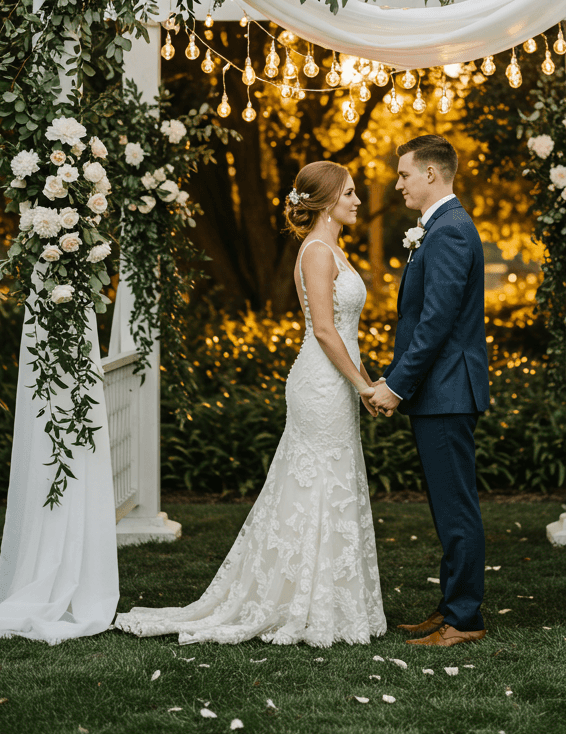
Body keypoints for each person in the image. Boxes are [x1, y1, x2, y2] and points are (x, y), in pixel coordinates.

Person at [114, 161, 386, 647]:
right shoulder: (318, 252)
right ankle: (296, 601)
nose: (357, 200)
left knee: (333, 481)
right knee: (315, 482)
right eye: (349, 192)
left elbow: (348, 335)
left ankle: (324, 599)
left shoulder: (334, 250)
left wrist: (365, 383)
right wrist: (361, 387)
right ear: (325, 201)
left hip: (337, 382)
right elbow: (323, 330)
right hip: (319, 384)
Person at [368, 135, 490, 648]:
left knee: (456, 507)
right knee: (448, 507)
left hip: (446, 391)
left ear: (432, 175)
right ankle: (450, 609)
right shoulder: (440, 227)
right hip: (441, 391)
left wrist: (396, 386)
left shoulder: (450, 232)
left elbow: (436, 322)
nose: (398, 184)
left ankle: (464, 619)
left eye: (403, 175)